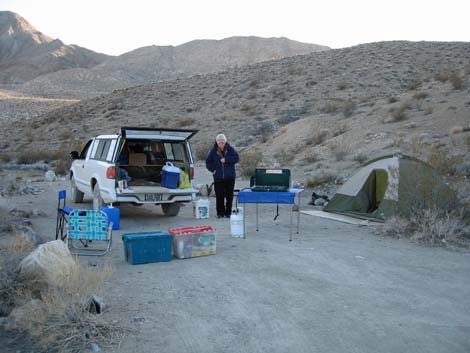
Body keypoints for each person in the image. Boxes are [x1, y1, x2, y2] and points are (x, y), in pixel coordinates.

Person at [205, 133, 239, 218]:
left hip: (230, 177)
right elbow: (208, 162)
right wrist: (213, 170)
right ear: (216, 142)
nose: (221, 142)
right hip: (218, 177)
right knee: (219, 196)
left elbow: (236, 158)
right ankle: (220, 213)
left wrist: (226, 159)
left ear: (225, 141)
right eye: (219, 141)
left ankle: (228, 213)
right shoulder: (213, 151)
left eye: (223, 140)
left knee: (229, 196)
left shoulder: (230, 149)